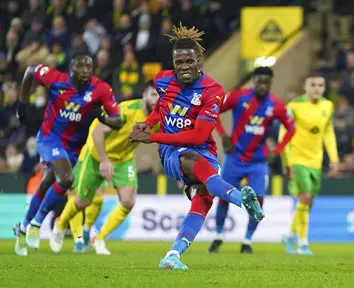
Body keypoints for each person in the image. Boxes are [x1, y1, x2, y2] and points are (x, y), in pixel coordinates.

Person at [129, 23, 264, 270]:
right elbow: (162, 107)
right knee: (190, 159)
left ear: (199, 59)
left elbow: (198, 135)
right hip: (172, 152)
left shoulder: (213, 91)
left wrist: (153, 137)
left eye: (188, 61)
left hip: (204, 148)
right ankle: (241, 200)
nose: (183, 68)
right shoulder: (162, 80)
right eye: (178, 62)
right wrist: (150, 123)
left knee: (203, 198)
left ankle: (173, 255)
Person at [13, 53, 122, 256]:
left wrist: (102, 117)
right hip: (49, 138)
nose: (85, 71)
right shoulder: (55, 79)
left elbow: (118, 121)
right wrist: (23, 105)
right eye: (80, 67)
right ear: (71, 69)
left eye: (89, 67)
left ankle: (22, 227)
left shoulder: (101, 89)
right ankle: (36, 224)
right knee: (66, 178)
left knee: (47, 183)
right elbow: (29, 72)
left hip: (75, 147)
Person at [49, 81, 159, 255]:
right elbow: (97, 132)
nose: (157, 98)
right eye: (153, 94)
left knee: (128, 201)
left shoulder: (159, 117)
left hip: (123, 158)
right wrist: (104, 160)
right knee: (83, 200)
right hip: (96, 154)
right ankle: (60, 224)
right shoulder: (126, 111)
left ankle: (98, 239)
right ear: (144, 94)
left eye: (160, 95)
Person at [207, 66, 296, 254]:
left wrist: (277, 150)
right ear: (253, 81)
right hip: (234, 158)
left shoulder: (276, 105)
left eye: (266, 82)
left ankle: (247, 241)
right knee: (224, 196)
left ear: (271, 83)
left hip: (258, 161)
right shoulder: (238, 97)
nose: (262, 85)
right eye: (259, 81)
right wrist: (223, 135)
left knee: (259, 200)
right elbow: (212, 111)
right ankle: (219, 235)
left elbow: (292, 128)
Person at [280, 72, 339, 255]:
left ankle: (290, 235)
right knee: (305, 197)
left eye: (320, 85)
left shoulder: (328, 106)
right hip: (298, 159)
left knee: (307, 202)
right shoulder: (294, 107)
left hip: (316, 161)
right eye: (313, 85)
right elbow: (284, 134)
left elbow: (328, 133)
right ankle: (303, 243)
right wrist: (287, 162)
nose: (316, 89)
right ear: (305, 87)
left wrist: (334, 159)